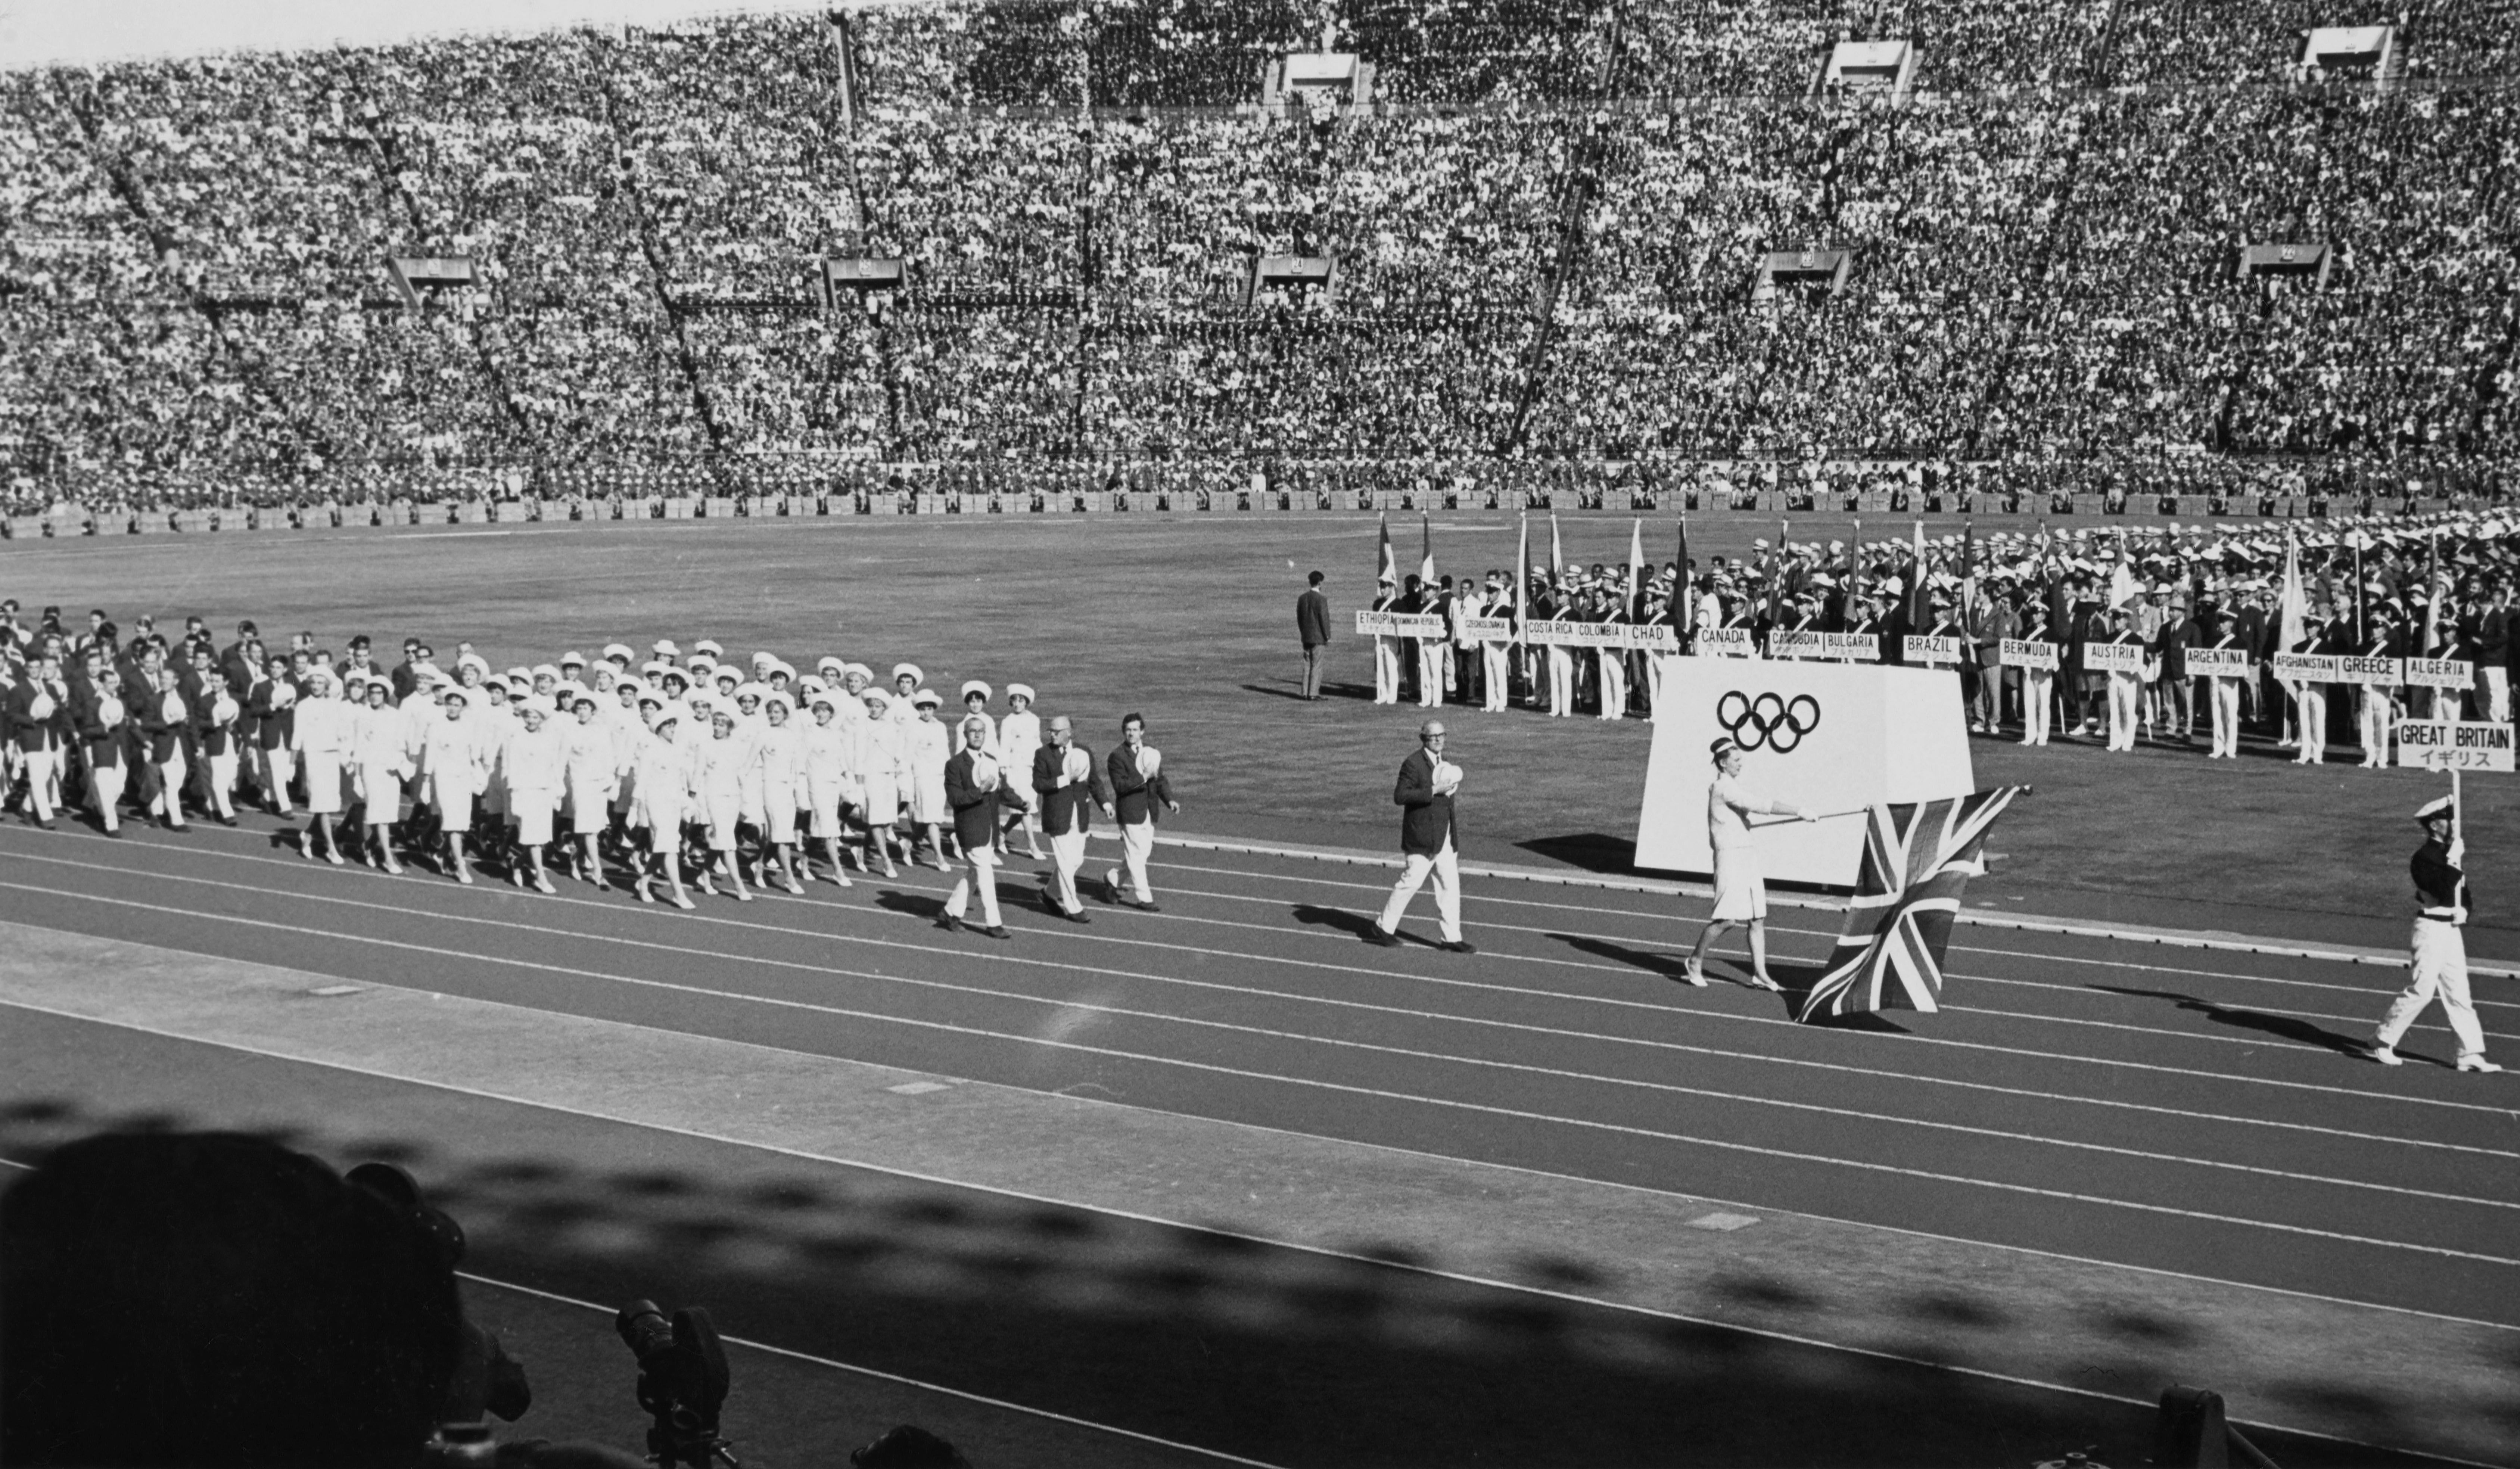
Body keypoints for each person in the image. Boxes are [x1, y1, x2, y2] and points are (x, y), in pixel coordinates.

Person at [2369, 795, 2501, 1073]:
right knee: (2423, 990)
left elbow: (2461, 892)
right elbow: (2442, 890)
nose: (2454, 823)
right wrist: (2453, 861)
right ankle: (2384, 1039)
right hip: (2430, 928)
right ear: (2434, 824)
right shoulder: (2424, 858)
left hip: (2451, 929)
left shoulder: (2449, 853)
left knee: (2459, 992)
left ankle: (2468, 1053)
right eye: (2448, 818)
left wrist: (2465, 910)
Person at [1685, 737, 1817, 990]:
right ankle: (1695, 960)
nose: (1740, 764)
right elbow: (1761, 805)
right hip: (1730, 858)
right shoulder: (1724, 788)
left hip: (1747, 855)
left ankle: (1760, 973)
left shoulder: (1731, 788)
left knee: (1757, 918)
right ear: (1723, 763)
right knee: (1727, 920)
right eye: (1736, 761)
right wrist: (1799, 811)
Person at [1367, 719, 1472, 952]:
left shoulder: (1444, 763)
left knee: (1450, 885)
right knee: (1410, 883)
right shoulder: (1413, 764)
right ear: (1423, 738)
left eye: (1441, 735)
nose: (1438, 740)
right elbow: (1400, 796)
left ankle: (1452, 937)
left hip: (1443, 837)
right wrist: (1433, 791)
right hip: (1422, 837)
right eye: (1433, 736)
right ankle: (1383, 927)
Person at [937, 715, 1011, 940]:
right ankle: (994, 923)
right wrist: (980, 789)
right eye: (973, 731)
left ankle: (950, 912)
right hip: (970, 829)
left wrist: (1022, 803)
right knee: (986, 875)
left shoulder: (990, 759)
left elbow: (1002, 790)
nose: (978, 735)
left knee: (973, 873)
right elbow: (955, 799)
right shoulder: (955, 765)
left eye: (982, 731)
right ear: (965, 734)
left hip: (989, 829)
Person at [1032, 713, 1110, 923]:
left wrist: (1106, 804)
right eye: (1051, 731)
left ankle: (1049, 894)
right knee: (1066, 863)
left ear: (1069, 733)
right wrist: (1065, 780)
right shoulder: (1043, 754)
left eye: (1057, 731)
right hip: (1057, 816)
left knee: (1076, 861)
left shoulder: (1083, 752)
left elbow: (1094, 781)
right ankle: (1074, 907)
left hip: (1080, 814)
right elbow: (1038, 785)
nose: (1052, 735)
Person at [1104, 712, 1178, 911]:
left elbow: (1160, 779)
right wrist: (1143, 776)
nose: (1131, 734)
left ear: (1142, 731)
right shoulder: (1117, 756)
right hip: (1130, 812)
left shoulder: (1150, 753)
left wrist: (1169, 800)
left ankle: (1114, 878)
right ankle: (1145, 898)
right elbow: (1120, 786)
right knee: (1137, 855)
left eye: (1135, 730)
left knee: (1142, 853)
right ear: (1123, 732)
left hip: (1149, 811)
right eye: (1128, 730)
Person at [502, 697, 566, 893]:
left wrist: (557, 789)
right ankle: (541, 877)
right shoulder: (517, 738)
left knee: (539, 838)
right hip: (525, 792)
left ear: (541, 719)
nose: (531, 721)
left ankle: (518, 863)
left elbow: (554, 765)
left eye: (535, 717)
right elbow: (513, 768)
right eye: (528, 716)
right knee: (533, 838)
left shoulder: (548, 738)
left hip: (544, 792)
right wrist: (516, 797)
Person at [997, 683, 1045, 858]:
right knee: (1025, 807)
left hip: (1032, 768)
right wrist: (1004, 771)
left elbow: (1037, 742)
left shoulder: (1034, 720)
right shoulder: (1008, 722)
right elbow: (1004, 748)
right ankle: (1032, 846)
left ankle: (1002, 835)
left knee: (1024, 808)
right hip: (1015, 769)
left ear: (1026, 703)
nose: (1017, 704)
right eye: (1014, 701)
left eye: (1021, 700)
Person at [1297, 570, 1332, 701]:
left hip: (1306, 637)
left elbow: (1299, 618)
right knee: (1317, 665)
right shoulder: (1321, 599)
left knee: (1307, 665)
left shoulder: (1302, 598)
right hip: (1318, 638)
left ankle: (1305, 693)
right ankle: (1313, 693)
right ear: (1320, 583)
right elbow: (1324, 619)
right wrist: (1327, 635)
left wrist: (1303, 632)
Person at [1369, 573, 1403, 704]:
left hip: (1392, 639)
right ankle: (1382, 694)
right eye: (1381, 587)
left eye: (1385, 587)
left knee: (1391, 667)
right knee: (1381, 668)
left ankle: (1392, 695)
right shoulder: (1377, 603)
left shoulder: (1399, 604)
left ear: (1392, 587)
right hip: (1380, 638)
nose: (1382, 590)